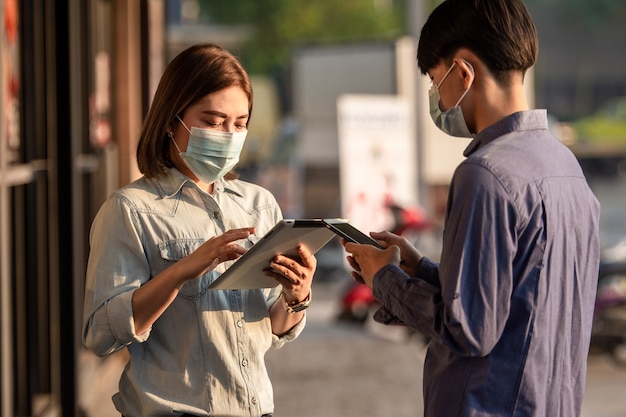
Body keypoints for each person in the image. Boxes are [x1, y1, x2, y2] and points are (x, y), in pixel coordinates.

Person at [342, 1, 601, 416]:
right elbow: (519, 300)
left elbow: (468, 329)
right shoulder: (564, 166)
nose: (436, 97)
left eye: (433, 80)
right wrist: (421, 268)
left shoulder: (485, 174)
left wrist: (383, 277)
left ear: (462, 73)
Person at [82, 43, 317, 417]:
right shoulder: (130, 209)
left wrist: (297, 295)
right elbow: (101, 335)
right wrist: (182, 271)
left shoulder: (258, 204)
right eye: (212, 120)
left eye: (239, 124)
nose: (227, 135)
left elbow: (270, 332)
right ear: (171, 120)